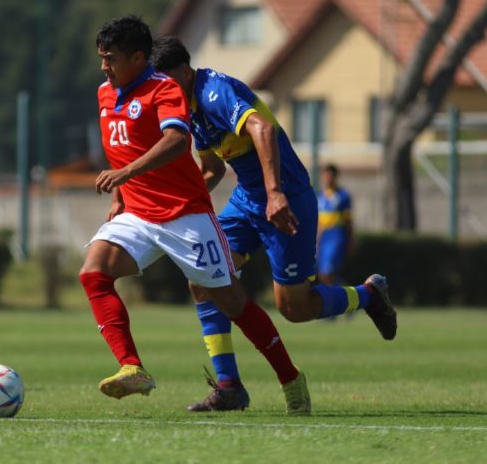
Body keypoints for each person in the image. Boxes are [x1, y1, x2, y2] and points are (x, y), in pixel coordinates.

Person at [79, 15, 310, 415]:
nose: (104, 66)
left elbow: (175, 140)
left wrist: (126, 174)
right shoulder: (105, 93)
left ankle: (290, 377)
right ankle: (132, 367)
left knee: (233, 303)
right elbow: (124, 147)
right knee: (93, 273)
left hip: (185, 216)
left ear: (137, 58)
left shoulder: (163, 89)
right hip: (138, 214)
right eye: (101, 58)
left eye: (111, 58)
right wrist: (121, 194)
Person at [150, 36, 396, 409]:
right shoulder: (189, 109)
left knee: (295, 308)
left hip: (287, 197)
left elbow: (262, 130)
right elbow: (213, 168)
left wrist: (275, 192)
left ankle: (369, 295)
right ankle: (229, 386)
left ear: (184, 71)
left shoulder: (215, 92)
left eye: (165, 81)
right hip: (247, 201)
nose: (161, 90)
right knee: (204, 277)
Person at [317, 164, 353, 286]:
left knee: (328, 270)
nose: (327, 178)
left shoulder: (343, 196)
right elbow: (319, 221)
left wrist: (350, 239)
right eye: (325, 176)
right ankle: (338, 294)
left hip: (336, 236)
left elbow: (348, 220)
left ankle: (341, 295)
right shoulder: (320, 196)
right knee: (322, 273)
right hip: (324, 237)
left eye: (329, 176)